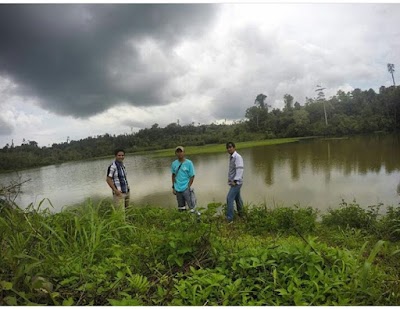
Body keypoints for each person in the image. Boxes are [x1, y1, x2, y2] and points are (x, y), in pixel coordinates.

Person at [171, 146, 198, 213]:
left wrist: (188, 186)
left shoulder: (189, 163)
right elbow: (173, 175)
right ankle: (184, 219)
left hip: (186, 188)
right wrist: (173, 187)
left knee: (191, 206)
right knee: (181, 207)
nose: (179, 153)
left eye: (181, 151)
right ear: (175, 153)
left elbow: (192, 176)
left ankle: (194, 219)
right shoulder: (174, 164)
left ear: (184, 153)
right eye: (178, 152)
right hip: (177, 189)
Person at [226, 142, 244, 223]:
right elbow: (233, 170)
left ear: (234, 147)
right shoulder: (232, 157)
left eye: (230, 147)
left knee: (229, 198)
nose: (229, 149)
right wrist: (230, 179)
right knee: (237, 198)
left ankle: (230, 219)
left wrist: (235, 181)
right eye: (228, 147)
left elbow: (240, 169)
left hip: (236, 183)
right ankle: (242, 214)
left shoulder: (237, 157)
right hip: (234, 182)